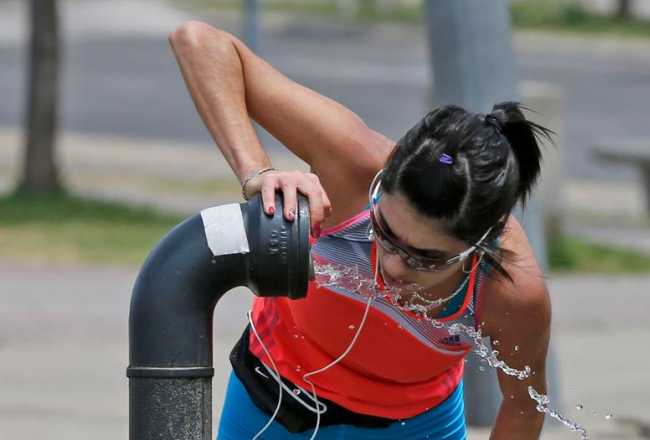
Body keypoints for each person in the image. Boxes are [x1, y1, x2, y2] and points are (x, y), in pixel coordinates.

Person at [169, 21, 553, 440]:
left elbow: (523, 406)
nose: (393, 265)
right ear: (381, 180)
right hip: (272, 401)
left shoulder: (510, 290)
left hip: (414, 428)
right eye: (384, 232)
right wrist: (257, 172)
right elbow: (199, 42)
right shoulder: (351, 162)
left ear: (481, 245)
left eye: (425, 258)